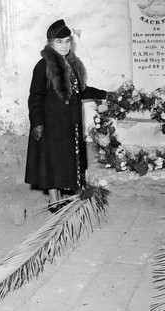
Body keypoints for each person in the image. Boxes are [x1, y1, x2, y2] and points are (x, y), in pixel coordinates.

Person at [25, 19, 111, 211]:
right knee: (52, 160)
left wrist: (104, 94)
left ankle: (61, 197)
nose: (64, 45)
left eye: (67, 41)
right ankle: (54, 201)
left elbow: (80, 91)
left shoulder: (72, 64)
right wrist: (37, 123)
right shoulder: (44, 66)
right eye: (59, 42)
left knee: (64, 159)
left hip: (69, 123)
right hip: (51, 123)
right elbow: (35, 97)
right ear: (50, 43)